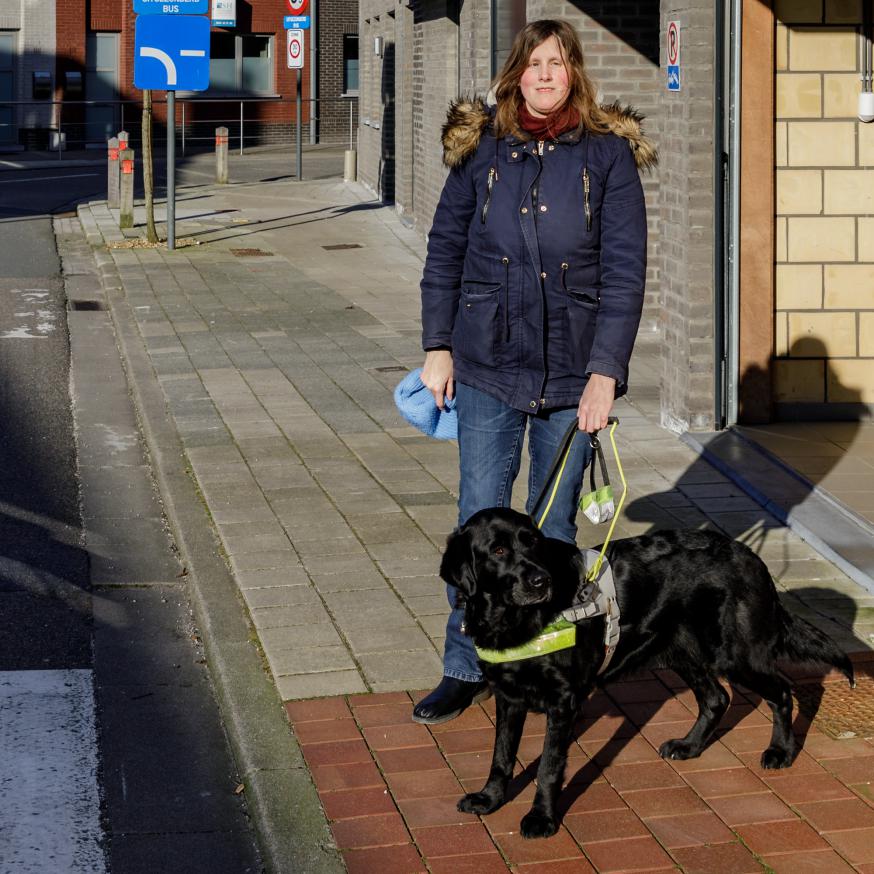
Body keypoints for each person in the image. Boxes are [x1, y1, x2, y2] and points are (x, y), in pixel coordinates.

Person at [412, 18, 656, 724]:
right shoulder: (483, 149)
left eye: (558, 63)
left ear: (575, 73)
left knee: (552, 536)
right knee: (477, 522)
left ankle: (547, 664)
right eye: (534, 64)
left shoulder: (606, 157)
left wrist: (606, 373)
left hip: (576, 377)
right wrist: (438, 344)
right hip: (488, 364)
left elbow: (624, 273)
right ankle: (466, 665)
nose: (546, 75)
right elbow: (444, 251)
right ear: (515, 73)